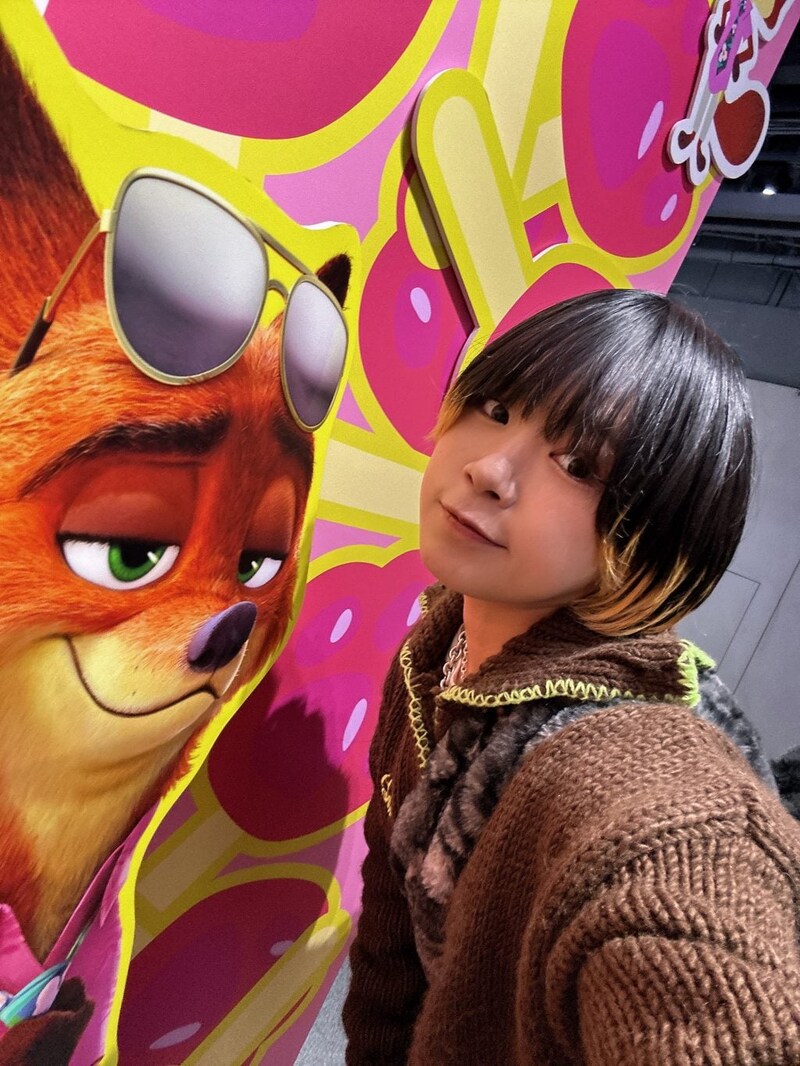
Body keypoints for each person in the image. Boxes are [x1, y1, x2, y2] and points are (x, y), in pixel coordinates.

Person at [342, 289, 800, 1064]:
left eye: (581, 464)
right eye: (494, 408)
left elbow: (697, 926)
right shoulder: (436, 649)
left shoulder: (635, 775)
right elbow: (391, 922)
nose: (489, 469)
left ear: (658, 535)